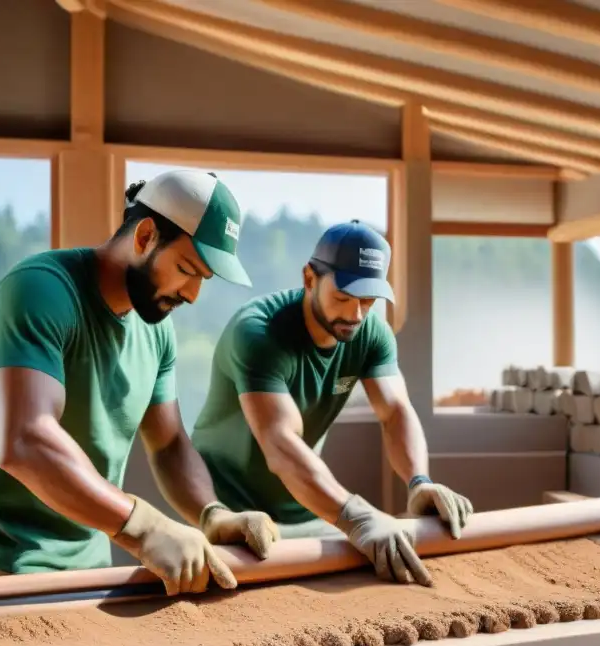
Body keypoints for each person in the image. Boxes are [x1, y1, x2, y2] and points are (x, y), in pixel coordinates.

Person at [0, 169, 260, 597]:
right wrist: (144, 528)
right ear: (144, 236)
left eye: (202, 279)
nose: (192, 294)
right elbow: (27, 441)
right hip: (1, 556)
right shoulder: (41, 290)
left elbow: (170, 443)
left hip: (90, 560)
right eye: (185, 269)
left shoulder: (155, 329)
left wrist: (211, 513)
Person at [191, 219, 474, 587]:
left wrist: (419, 482)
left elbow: (395, 411)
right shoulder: (259, 332)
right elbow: (280, 444)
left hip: (306, 508)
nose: (355, 315)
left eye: (368, 301)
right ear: (310, 278)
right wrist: (359, 517)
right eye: (343, 298)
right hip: (224, 511)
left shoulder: (370, 333)